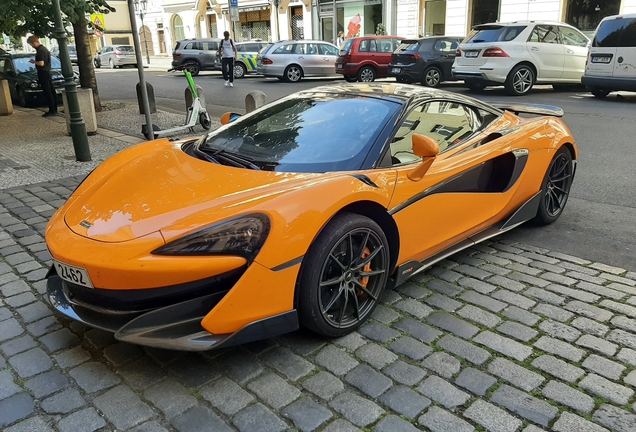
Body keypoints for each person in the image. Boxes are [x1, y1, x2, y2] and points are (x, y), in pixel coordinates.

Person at [27, 35, 57, 116]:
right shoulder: (45, 49)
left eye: (31, 44)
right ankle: (55, 108)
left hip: (43, 72)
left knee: (47, 91)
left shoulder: (40, 51)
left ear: (34, 42)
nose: (32, 46)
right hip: (48, 71)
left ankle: (52, 110)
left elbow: (41, 63)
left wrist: (34, 62)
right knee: (51, 90)